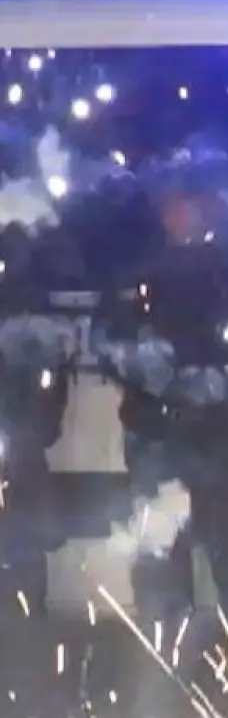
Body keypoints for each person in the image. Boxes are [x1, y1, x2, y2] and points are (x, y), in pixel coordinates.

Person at [95, 170, 228, 707]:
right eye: (171, 202)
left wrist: (217, 384)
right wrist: (143, 364)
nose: (177, 212)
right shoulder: (139, 267)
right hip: (158, 444)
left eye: (186, 201)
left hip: (223, 443)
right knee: (161, 575)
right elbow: (104, 337)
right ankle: (169, 683)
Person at [0, 220, 75, 706]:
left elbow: (47, 399)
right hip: (22, 462)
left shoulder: (30, 313)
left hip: (19, 465)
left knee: (23, 580)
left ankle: (29, 689)